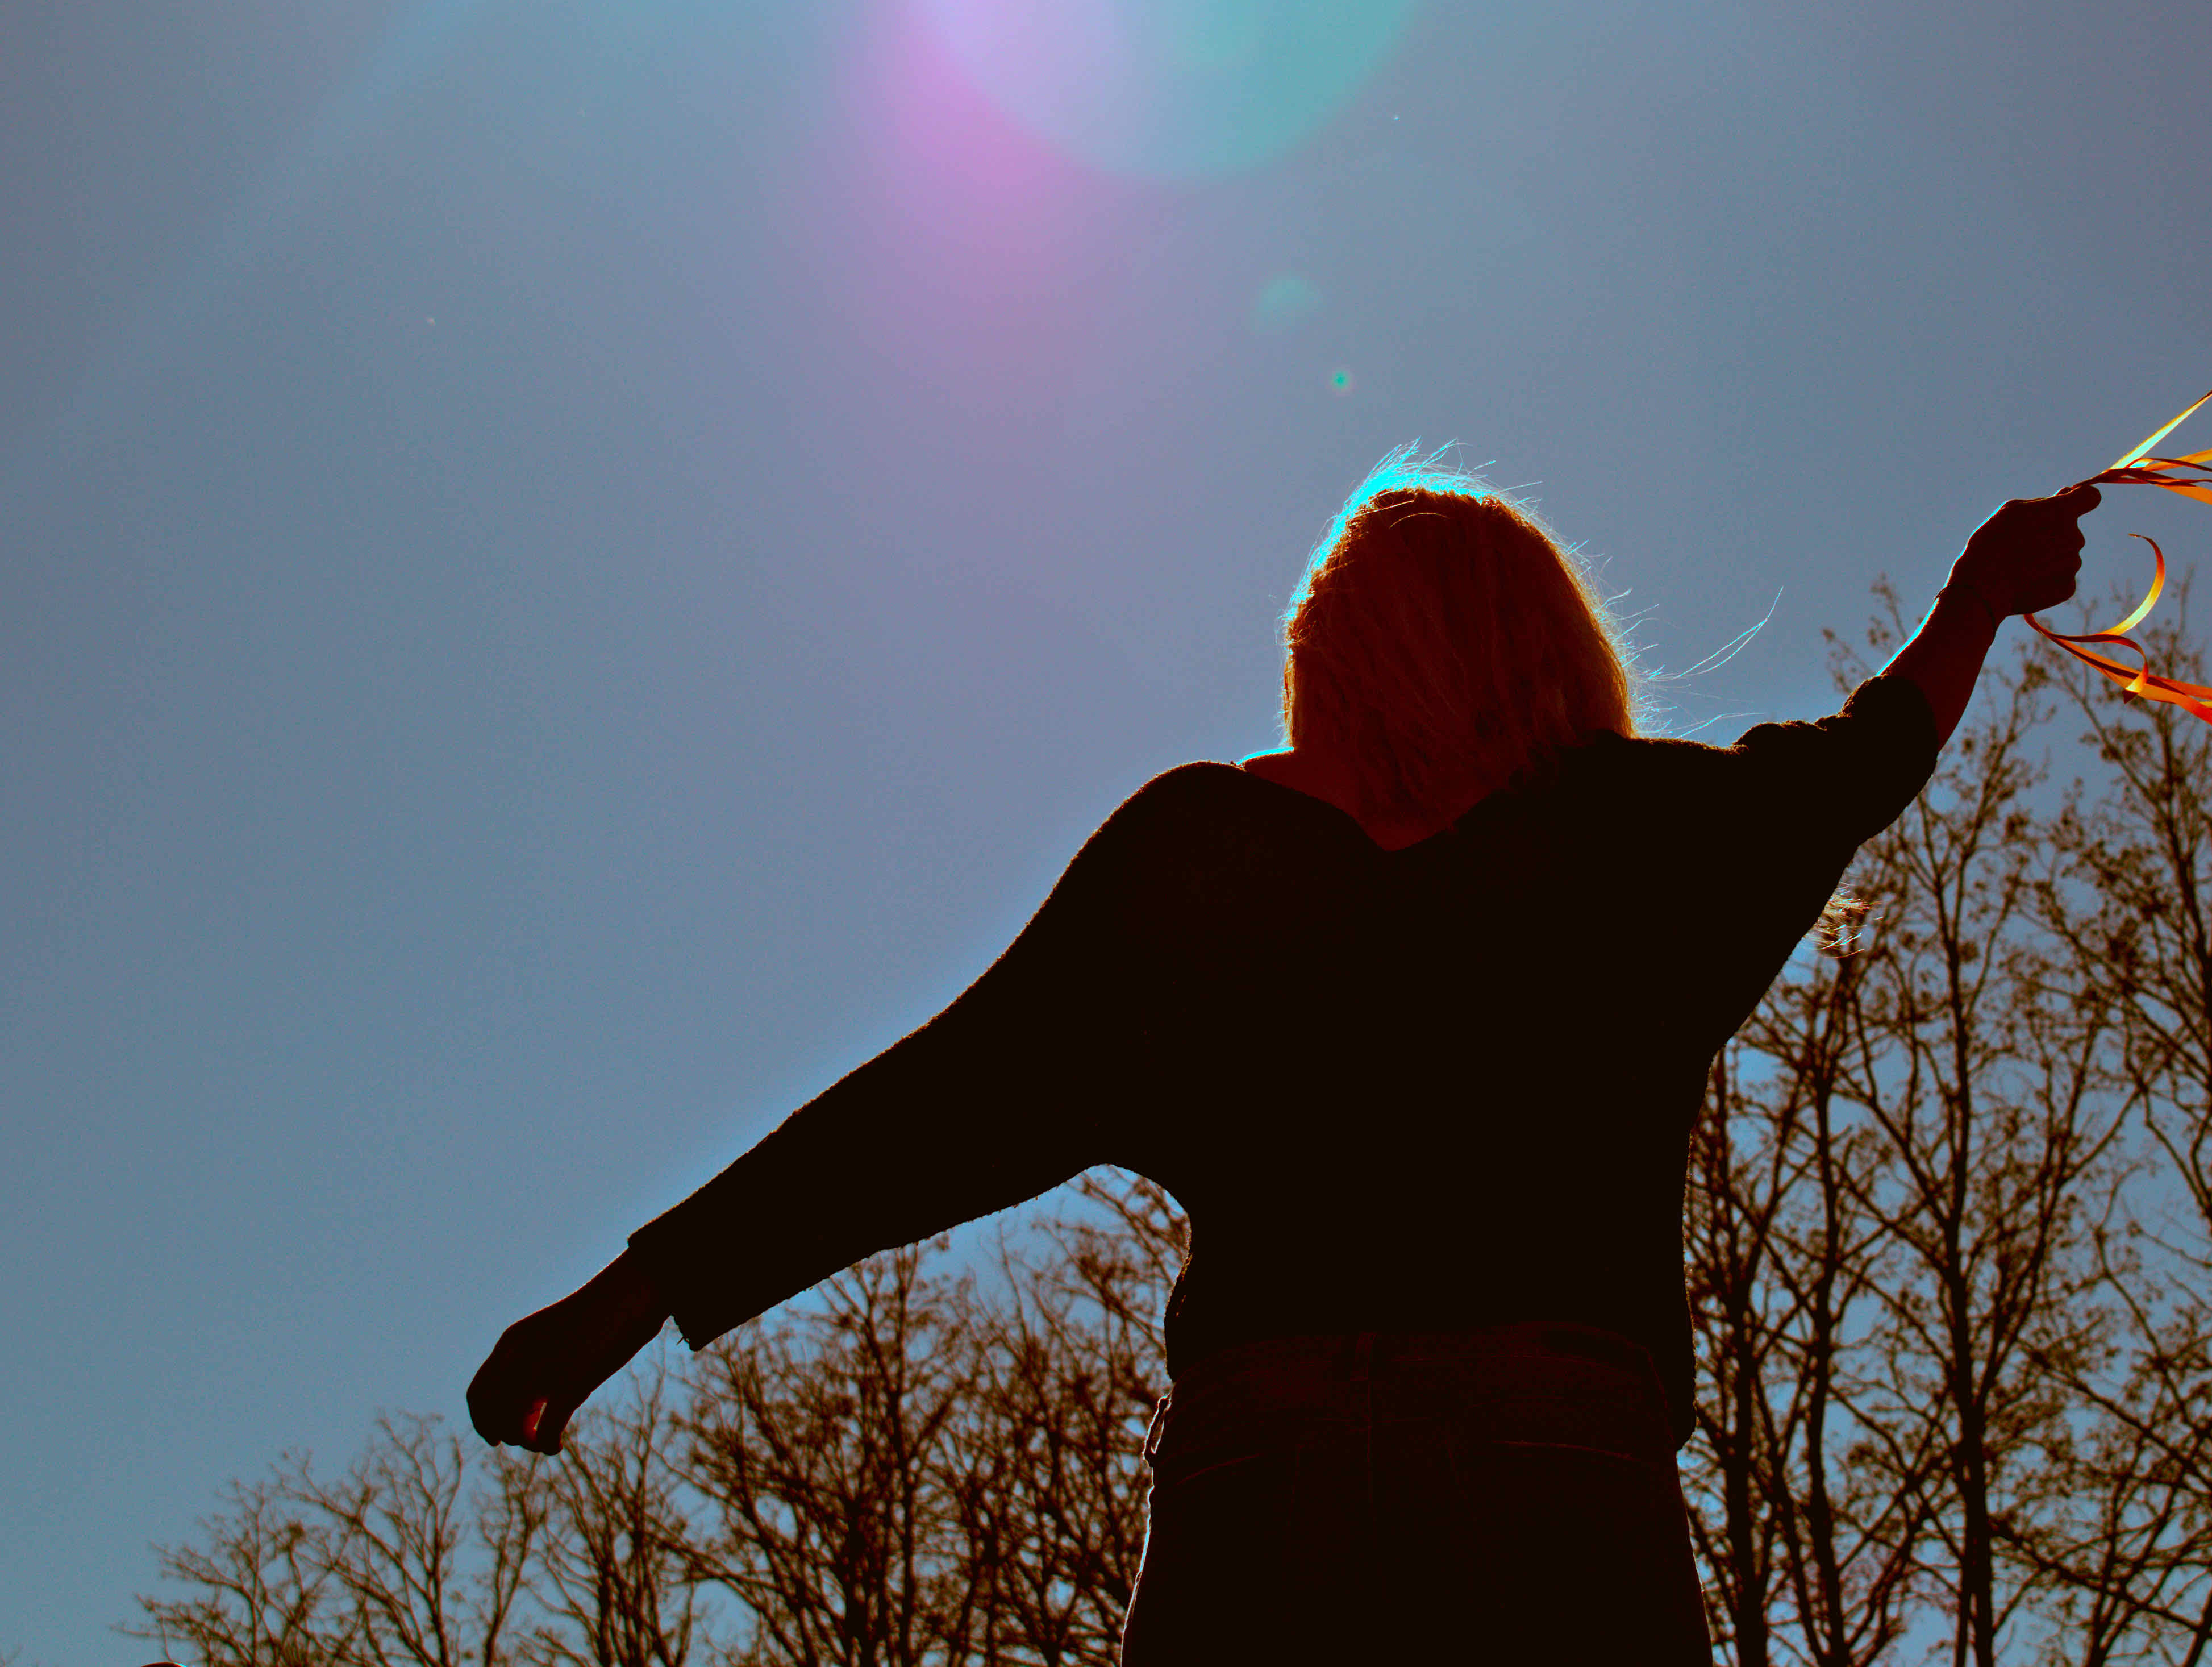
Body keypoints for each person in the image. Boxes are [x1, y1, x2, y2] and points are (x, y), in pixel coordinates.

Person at [467, 451, 2098, 1663]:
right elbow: (1859, 765)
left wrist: (627, 1297)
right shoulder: (1633, 838)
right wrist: (1978, 598)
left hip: (1272, 1464)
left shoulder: (1208, 861)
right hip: (1555, 1463)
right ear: (1540, 642)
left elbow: (938, 1104)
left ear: (1338, 664)